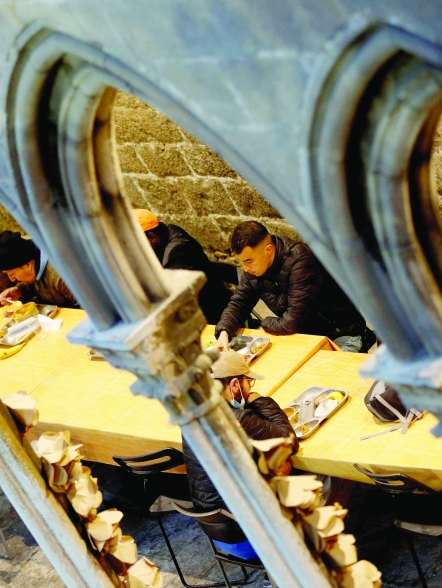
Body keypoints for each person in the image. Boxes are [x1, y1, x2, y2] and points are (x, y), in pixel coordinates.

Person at [182, 350, 297, 560]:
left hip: (220, 534)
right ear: (235, 385)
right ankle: (314, 551)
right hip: (253, 538)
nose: (249, 388)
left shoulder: (192, 415)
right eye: (247, 383)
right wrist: (257, 399)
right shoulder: (237, 418)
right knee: (320, 480)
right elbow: (288, 438)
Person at [215, 221, 371, 352]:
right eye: (241, 261)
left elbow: (291, 323)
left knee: (327, 382)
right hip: (305, 337)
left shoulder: (300, 261)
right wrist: (224, 332)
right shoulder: (254, 269)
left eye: (249, 261)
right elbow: (239, 302)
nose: (245, 268)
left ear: (268, 250)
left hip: (341, 334)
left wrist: (265, 324)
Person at [134, 209, 232, 324]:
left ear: (152, 236)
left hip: (211, 312)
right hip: (195, 308)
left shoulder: (178, 249)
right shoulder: (162, 236)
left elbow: (173, 294)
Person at [0, 231, 78, 308]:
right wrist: (19, 291)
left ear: (28, 264)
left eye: (12, 274)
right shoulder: (34, 264)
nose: (12, 279)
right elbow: (35, 284)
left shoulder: (60, 274)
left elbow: (88, 307)